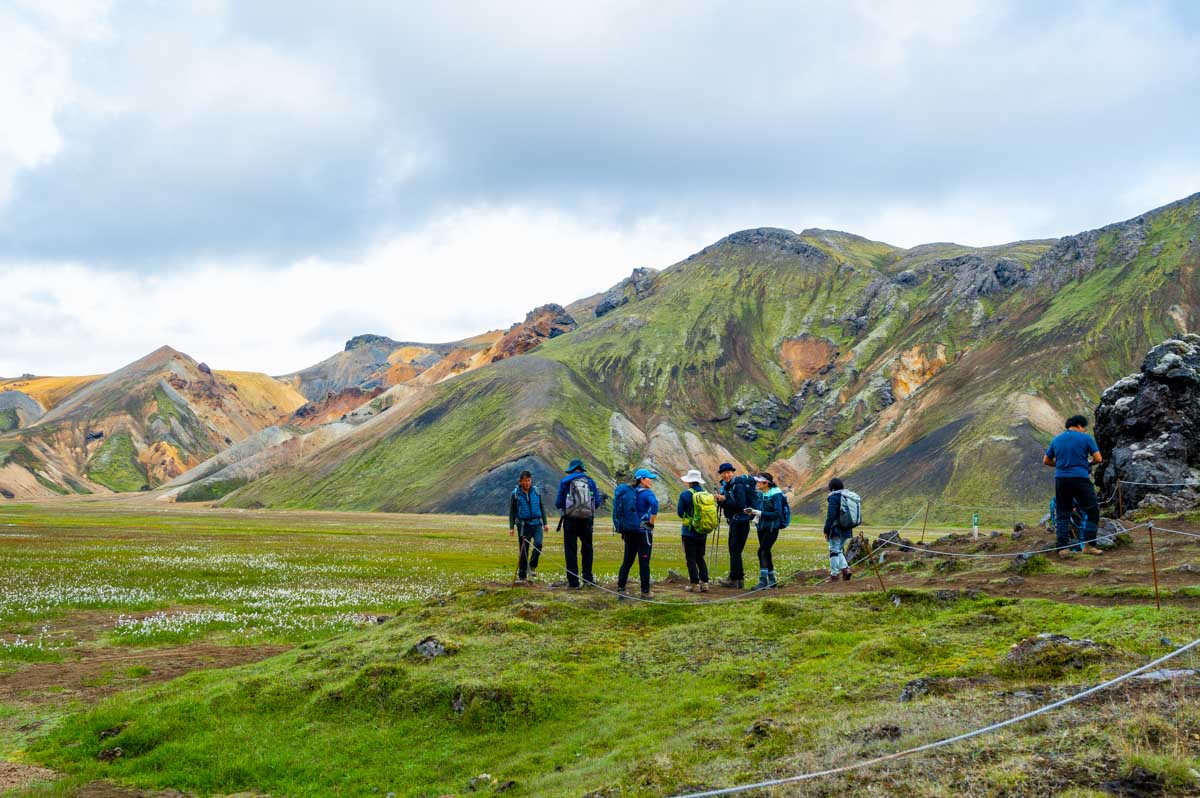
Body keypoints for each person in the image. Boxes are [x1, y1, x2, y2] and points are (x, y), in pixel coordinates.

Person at [1043, 415, 1103, 559]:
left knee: (1062, 512)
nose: (1084, 430)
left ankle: (1063, 548)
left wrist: (1062, 465)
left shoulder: (1057, 439)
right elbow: (1098, 458)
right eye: (1084, 428)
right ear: (1079, 425)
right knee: (1092, 510)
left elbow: (1046, 460)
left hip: (1061, 479)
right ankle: (1089, 545)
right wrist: (1088, 463)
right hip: (1080, 478)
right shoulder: (1086, 438)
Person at [554, 459, 598, 589]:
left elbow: (558, 503)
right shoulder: (590, 481)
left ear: (571, 469)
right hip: (587, 520)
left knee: (570, 550)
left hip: (570, 520)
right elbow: (597, 502)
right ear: (582, 469)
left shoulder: (565, 481)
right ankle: (588, 579)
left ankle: (573, 582)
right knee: (587, 549)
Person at [715, 462, 759, 589]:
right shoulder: (729, 486)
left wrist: (724, 500)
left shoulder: (737, 486)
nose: (726, 475)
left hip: (740, 521)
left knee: (734, 550)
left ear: (732, 473)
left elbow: (740, 506)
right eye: (724, 473)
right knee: (735, 550)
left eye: (728, 472)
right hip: (737, 521)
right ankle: (738, 580)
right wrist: (722, 501)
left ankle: (734, 579)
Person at [617, 468, 658, 598]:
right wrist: (651, 523)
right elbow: (655, 504)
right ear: (642, 480)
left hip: (629, 531)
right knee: (644, 562)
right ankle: (645, 592)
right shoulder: (647, 493)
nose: (651, 481)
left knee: (627, 561)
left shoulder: (630, 492)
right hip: (643, 532)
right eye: (649, 478)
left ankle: (621, 588)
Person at [676, 468, 715, 592]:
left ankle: (695, 584)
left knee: (690, 558)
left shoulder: (685, 494)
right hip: (703, 530)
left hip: (688, 532)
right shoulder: (706, 494)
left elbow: (680, 513)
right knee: (700, 557)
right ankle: (705, 583)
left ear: (689, 481)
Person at [746, 472, 785, 590]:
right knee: (766, 551)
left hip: (772, 528)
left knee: (762, 551)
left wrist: (758, 513)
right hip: (762, 527)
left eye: (759, 481)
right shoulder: (762, 494)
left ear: (766, 483)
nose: (757, 483)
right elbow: (761, 511)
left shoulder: (776, 495)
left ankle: (763, 581)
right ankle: (772, 580)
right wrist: (753, 513)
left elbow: (777, 514)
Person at [508, 470, 548, 582]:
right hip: (523, 525)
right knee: (523, 550)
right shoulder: (515, 494)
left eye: (529, 480)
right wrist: (511, 527)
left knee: (538, 544)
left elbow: (541, 507)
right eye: (525, 481)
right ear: (520, 481)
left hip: (537, 524)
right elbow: (512, 511)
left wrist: (545, 523)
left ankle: (532, 566)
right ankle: (522, 576)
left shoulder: (536, 491)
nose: (527, 483)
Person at [823, 477, 855, 582]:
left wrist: (826, 530)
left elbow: (831, 516)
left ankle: (834, 576)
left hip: (836, 529)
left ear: (832, 488)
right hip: (847, 528)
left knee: (833, 550)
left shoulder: (834, 497)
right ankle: (846, 570)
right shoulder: (846, 496)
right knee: (839, 549)